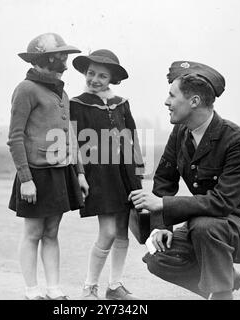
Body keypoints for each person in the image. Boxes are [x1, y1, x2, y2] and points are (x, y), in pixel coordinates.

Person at [129, 61, 240, 300]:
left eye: (172, 96)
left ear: (194, 101)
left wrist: (163, 205)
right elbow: (164, 180)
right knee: (158, 257)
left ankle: (221, 293)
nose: (166, 102)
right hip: (206, 225)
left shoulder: (237, 141)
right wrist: (160, 227)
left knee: (204, 225)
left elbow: (222, 202)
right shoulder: (181, 132)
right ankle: (225, 276)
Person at [7, 33, 89, 300]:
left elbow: (71, 136)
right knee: (33, 233)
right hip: (36, 174)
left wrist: (79, 172)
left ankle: (54, 289)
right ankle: (32, 291)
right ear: (46, 58)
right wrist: (26, 179)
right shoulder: (26, 89)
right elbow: (15, 137)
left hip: (61, 172)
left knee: (52, 233)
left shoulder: (61, 92)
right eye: (61, 54)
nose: (66, 59)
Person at [70, 49, 144, 300]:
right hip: (99, 174)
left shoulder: (121, 103)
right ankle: (89, 287)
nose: (95, 80)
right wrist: (79, 174)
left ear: (112, 79)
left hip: (125, 175)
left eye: (102, 75)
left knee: (122, 231)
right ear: (84, 73)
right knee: (108, 232)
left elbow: (132, 138)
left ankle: (115, 286)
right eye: (91, 73)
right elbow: (72, 143)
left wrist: (138, 172)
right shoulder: (76, 104)